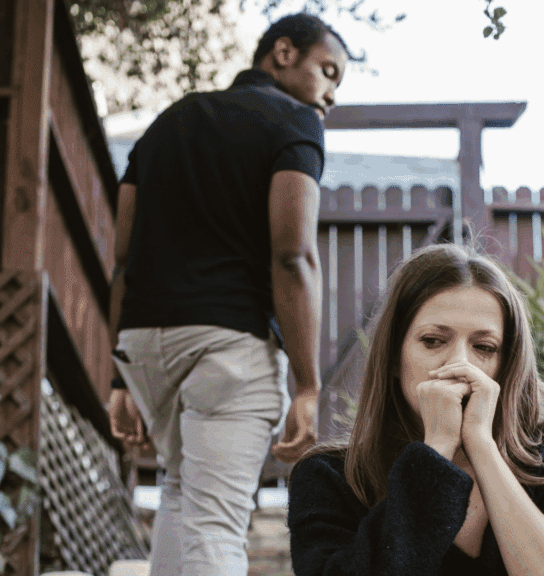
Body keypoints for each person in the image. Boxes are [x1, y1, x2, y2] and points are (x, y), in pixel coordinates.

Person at [106, 13, 349, 576]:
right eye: (328, 71)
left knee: (179, 490)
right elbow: (293, 255)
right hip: (229, 346)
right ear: (284, 53)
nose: (331, 95)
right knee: (216, 523)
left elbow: (122, 259)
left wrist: (119, 375)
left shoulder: (167, 123)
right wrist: (308, 385)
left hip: (146, 345)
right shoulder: (295, 121)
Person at [287, 244, 544, 575]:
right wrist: (436, 453)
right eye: (433, 341)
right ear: (393, 358)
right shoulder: (330, 477)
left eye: (484, 347)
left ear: (506, 365)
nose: (460, 365)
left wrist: (482, 446)